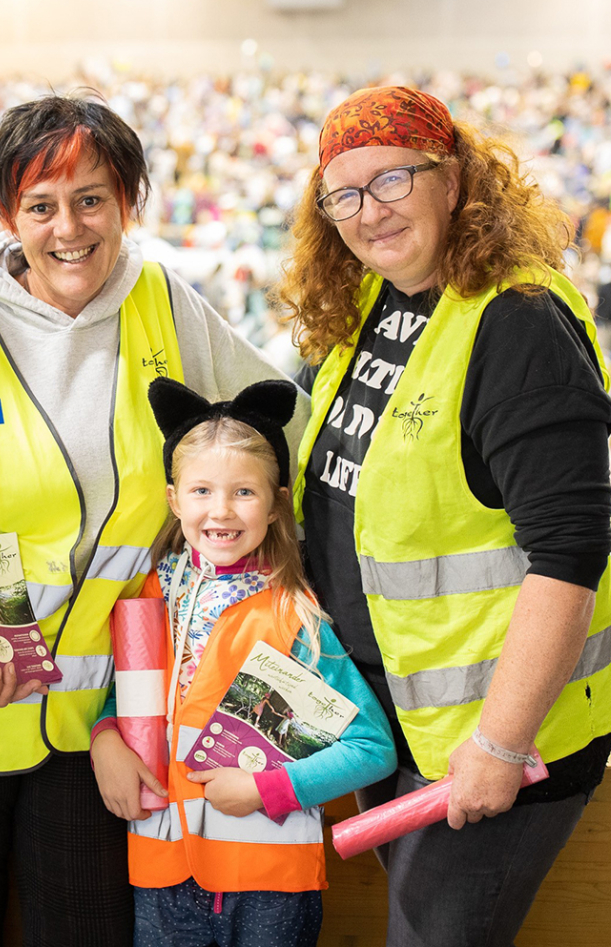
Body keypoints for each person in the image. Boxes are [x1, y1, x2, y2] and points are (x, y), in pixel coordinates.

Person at [0, 93, 311, 947]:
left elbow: (276, 435)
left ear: (128, 202)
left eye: (92, 199)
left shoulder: (165, 304)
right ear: (5, 215)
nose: (68, 228)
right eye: (40, 205)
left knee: (86, 927)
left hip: (101, 722)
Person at [277, 85, 611, 946]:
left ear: (457, 181)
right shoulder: (368, 307)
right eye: (345, 194)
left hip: (499, 734)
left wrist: (501, 744)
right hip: (393, 720)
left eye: (395, 179)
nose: (370, 211)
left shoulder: (517, 322)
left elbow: (569, 554)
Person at [90, 377, 395, 947]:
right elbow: (130, 702)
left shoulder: (296, 615)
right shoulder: (152, 595)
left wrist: (268, 789)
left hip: (269, 886)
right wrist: (104, 735)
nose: (220, 510)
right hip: (159, 874)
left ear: (279, 499)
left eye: (244, 493)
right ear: (173, 498)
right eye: (201, 490)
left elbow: (371, 749)